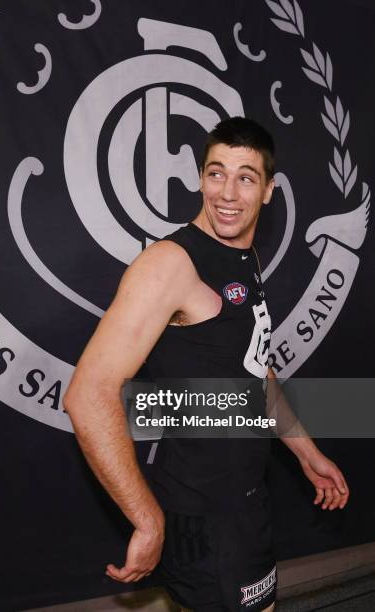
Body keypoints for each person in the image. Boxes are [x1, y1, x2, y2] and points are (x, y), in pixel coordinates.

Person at [63, 117, 349, 611]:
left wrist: (305, 452)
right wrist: (148, 520)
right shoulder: (169, 264)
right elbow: (88, 398)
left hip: (246, 504)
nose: (228, 193)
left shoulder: (245, 256)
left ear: (268, 190)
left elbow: (255, 374)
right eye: (216, 173)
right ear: (199, 177)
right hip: (204, 516)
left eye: (245, 177)